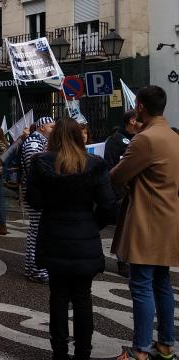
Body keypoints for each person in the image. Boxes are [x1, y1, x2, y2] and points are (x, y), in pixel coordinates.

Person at [26, 118, 115, 360]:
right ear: (79, 137)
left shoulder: (42, 163)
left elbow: (33, 200)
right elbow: (108, 206)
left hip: (54, 234)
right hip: (84, 235)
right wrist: (91, 224)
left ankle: (59, 352)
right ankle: (83, 353)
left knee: (58, 296)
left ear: (54, 138)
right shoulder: (95, 164)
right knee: (83, 297)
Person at [111, 86, 179, 360]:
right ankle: (165, 345)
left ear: (139, 106)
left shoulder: (144, 139)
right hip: (168, 217)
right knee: (161, 282)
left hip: (146, 220)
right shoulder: (174, 137)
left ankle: (140, 350)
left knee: (140, 285)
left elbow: (117, 175)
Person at [104, 110, 140, 278]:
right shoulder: (116, 140)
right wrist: (119, 193)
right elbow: (111, 167)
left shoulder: (140, 139)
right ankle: (122, 261)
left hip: (139, 193)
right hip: (122, 194)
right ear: (132, 121)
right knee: (123, 228)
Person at [20, 116, 55, 284]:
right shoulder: (34, 142)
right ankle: (34, 270)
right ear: (42, 127)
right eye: (51, 126)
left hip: (39, 193)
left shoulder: (40, 142)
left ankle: (36, 268)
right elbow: (35, 167)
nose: (53, 129)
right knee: (37, 231)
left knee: (39, 231)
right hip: (37, 194)